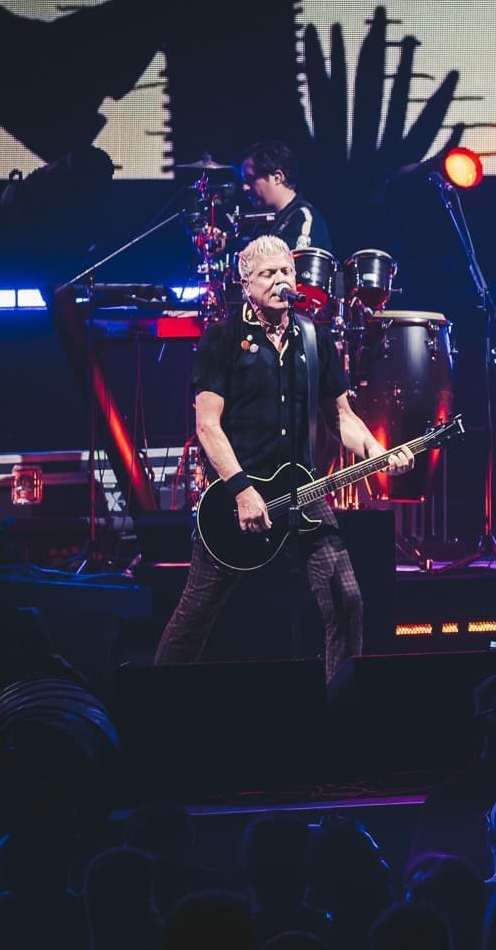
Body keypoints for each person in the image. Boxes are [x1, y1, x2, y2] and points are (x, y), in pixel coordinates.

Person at [153, 235, 412, 680]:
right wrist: (241, 491)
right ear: (245, 284)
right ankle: (157, 704)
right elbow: (208, 426)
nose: (280, 281)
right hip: (238, 493)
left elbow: (340, 415)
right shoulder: (222, 338)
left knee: (346, 599)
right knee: (194, 617)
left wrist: (374, 449)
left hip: (302, 489)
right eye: (268, 274)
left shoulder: (313, 337)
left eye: (286, 272)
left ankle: (340, 707)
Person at [237, 140, 331, 252]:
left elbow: (295, 268)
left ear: (278, 177)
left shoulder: (303, 219)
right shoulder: (262, 225)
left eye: (251, 179)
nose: (245, 187)